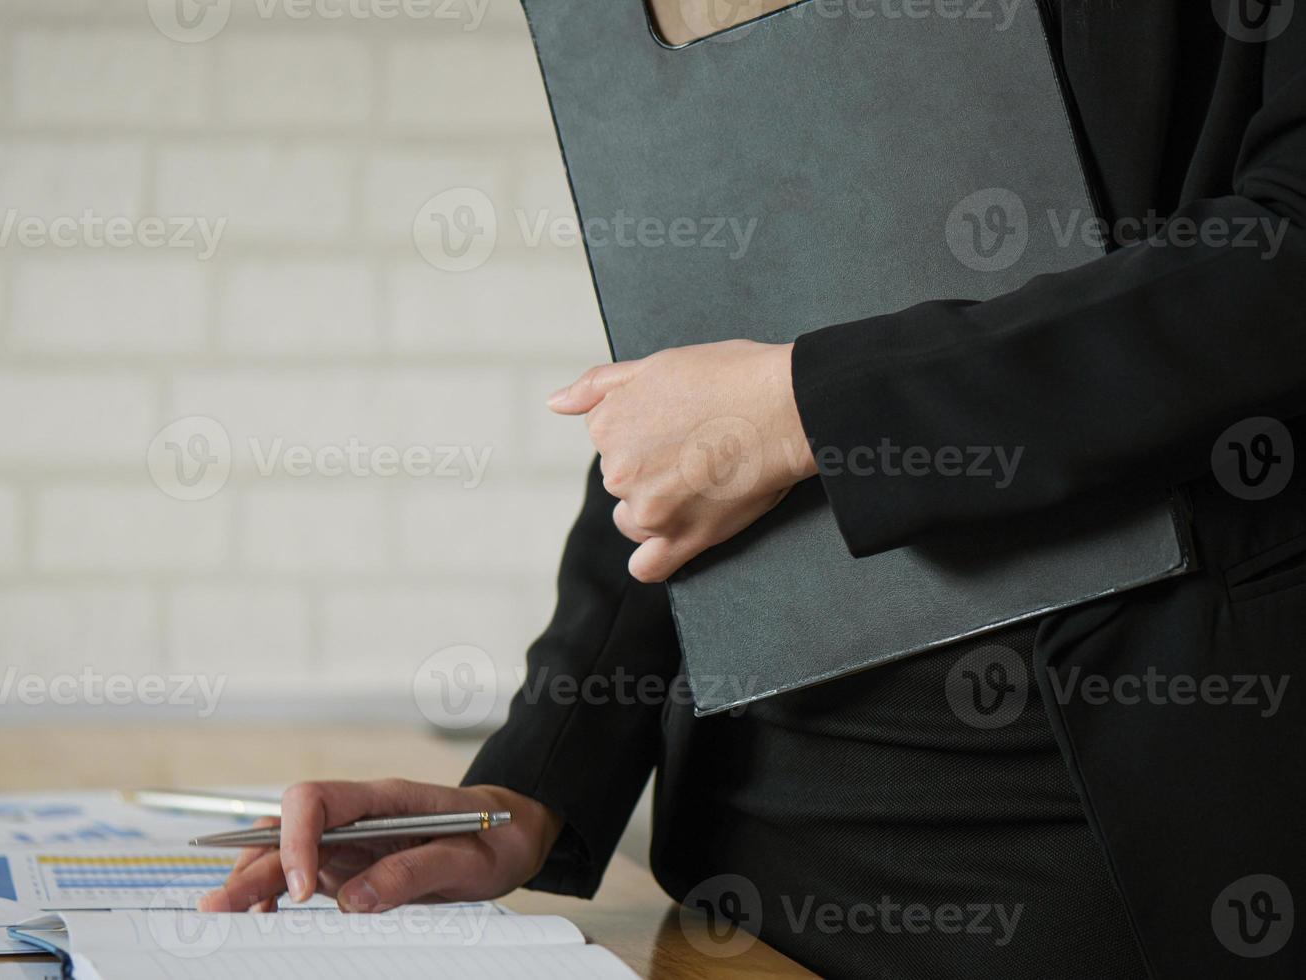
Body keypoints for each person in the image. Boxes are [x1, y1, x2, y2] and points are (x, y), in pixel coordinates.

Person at [201, 1, 1306, 976]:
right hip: (746, 858)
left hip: (1112, 841)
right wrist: (533, 783)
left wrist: (801, 406)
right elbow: (694, 398)